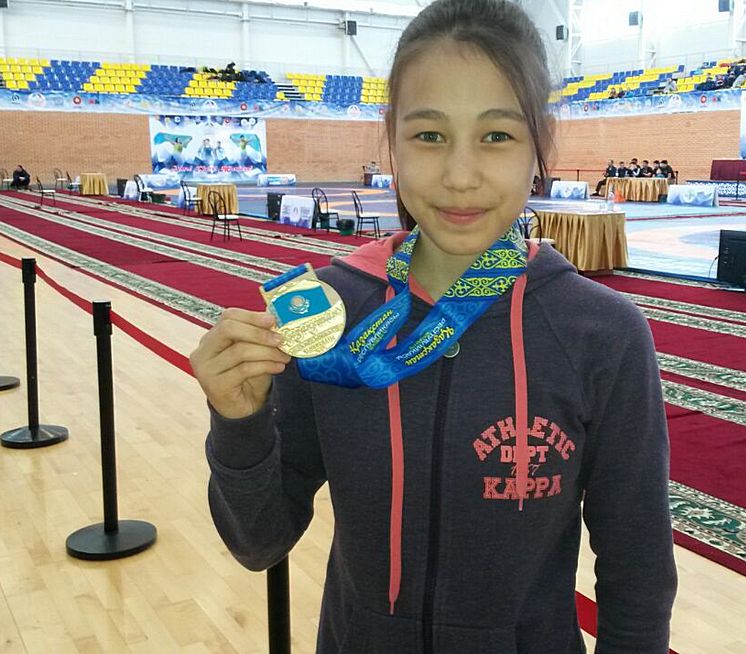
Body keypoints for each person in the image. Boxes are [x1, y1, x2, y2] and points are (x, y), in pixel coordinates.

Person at [192, 2, 676, 653]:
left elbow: (638, 570)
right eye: (429, 135)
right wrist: (239, 422)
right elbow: (259, 541)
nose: (460, 176)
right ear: (391, 140)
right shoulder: (326, 314)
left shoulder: (603, 333)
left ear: (539, 147)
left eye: (496, 136)